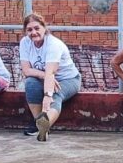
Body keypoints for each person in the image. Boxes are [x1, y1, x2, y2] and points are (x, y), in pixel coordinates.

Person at [18, 13, 82, 142]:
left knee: (55, 95)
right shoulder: (25, 43)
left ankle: (46, 124)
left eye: (37, 28)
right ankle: (39, 123)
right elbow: (26, 70)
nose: (33, 32)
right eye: (29, 30)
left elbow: (50, 72)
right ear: (25, 32)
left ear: (44, 28)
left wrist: (47, 95)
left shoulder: (53, 44)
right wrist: (43, 76)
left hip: (68, 79)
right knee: (30, 83)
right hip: (45, 78)